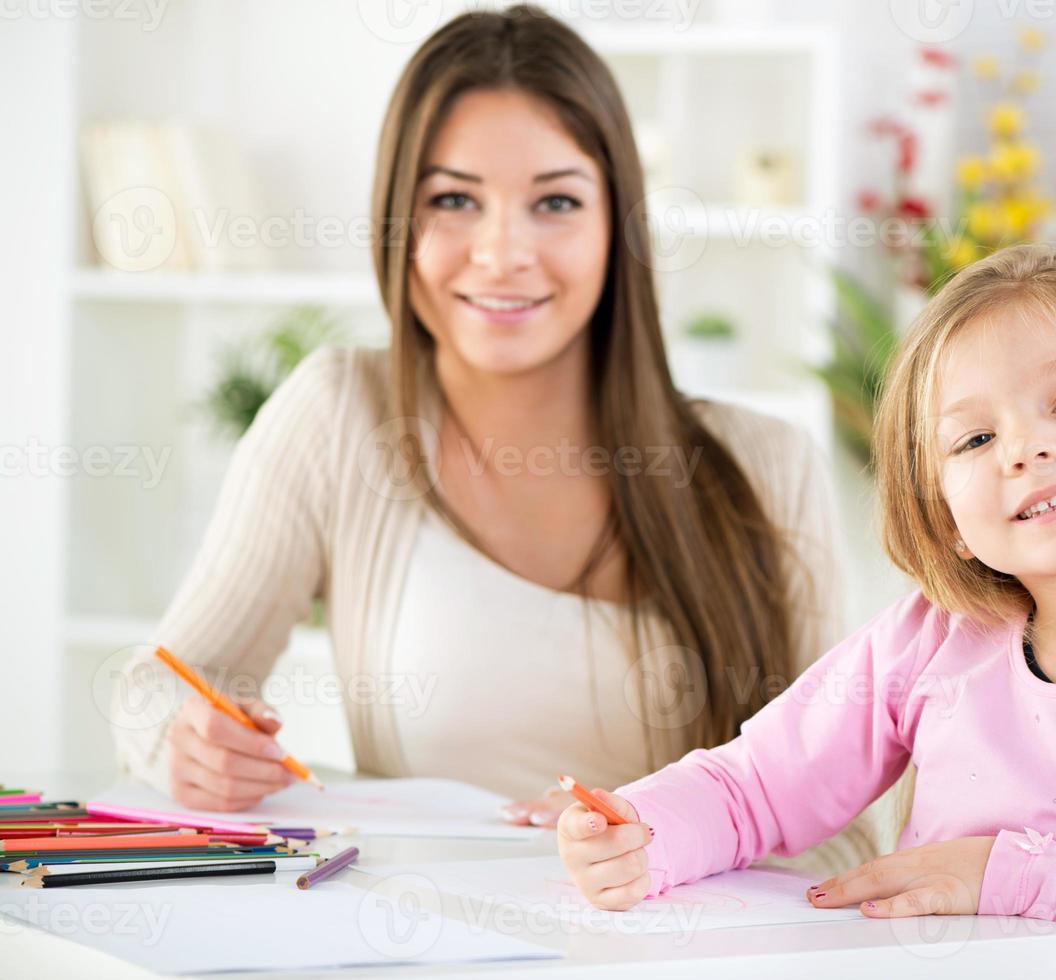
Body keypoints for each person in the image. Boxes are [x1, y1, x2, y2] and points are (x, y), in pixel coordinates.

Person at [110, 6, 880, 873]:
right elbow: (157, 684)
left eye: (555, 201)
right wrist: (184, 738)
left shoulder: (766, 464)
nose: (502, 252)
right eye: (453, 201)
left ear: (616, 223)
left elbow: (840, 829)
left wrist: (667, 837)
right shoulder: (338, 413)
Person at [558, 243, 1056, 977]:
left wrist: (1025, 880)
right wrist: (642, 834)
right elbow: (757, 788)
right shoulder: (933, 643)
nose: (1024, 447)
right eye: (973, 441)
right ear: (948, 521)